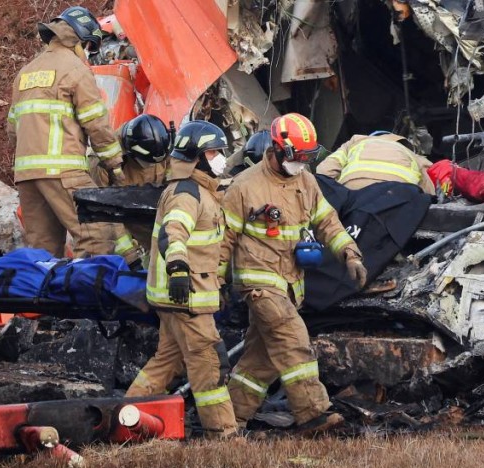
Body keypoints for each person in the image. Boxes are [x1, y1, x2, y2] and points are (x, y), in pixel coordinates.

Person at [221, 113, 368, 435]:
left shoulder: (306, 182)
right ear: (276, 149)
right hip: (259, 282)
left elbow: (327, 222)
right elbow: (223, 240)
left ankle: (226, 422)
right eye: (296, 156)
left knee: (260, 361)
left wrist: (350, 255)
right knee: (294, 341)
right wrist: (215, 282)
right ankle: (314, 415)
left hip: (290, 284)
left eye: (308, 157)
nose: (301, 163)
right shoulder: (245, 187)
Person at [125, 120, 237, 438]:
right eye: (214, 152)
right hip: (186, 297)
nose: (220, 158)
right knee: (208, 361)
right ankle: (223, 432)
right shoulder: (188, 193)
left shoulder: (199, 191)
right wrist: (178, 271)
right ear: (198, 157)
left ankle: (126, 415)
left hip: (177, 298)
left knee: (166, 361)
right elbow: (174, 233)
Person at [6, 6, 138, 263]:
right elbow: (96, 124)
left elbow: (13, 130)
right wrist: (115, 165)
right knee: (97, 232)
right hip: (64, 171)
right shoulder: (75, 70)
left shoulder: (25, 73)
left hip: (26, 177)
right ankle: (84, 295)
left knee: (42, 253)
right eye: (89, 46)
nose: (88, 54)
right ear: (79, 39)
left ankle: (51, 302)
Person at [90, 113, 171, 253]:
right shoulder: (103, 163)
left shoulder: (161, 147)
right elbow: (105, 215)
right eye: (147, 163)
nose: (152, 166)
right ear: (130, 152)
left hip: (149, 213)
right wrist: (129, 256)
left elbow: (171, 181)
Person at [315, 131, 434, 194]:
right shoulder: (414, 156)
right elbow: (430, 191)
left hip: (352, 193)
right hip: (395, 198)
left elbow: (323, 171)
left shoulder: (356, 142)